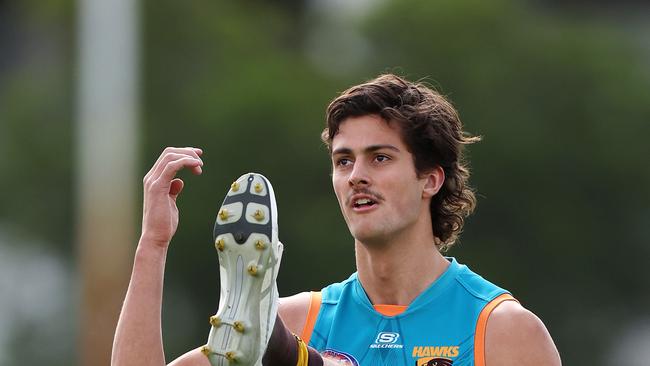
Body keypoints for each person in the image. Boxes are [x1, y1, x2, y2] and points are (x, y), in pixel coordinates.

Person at [112, 74, 561, 366]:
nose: (357, 176)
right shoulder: (284, 321)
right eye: (343, 161)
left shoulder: (503, 332)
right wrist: (152, 244)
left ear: (430, 179)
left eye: (379, 158)